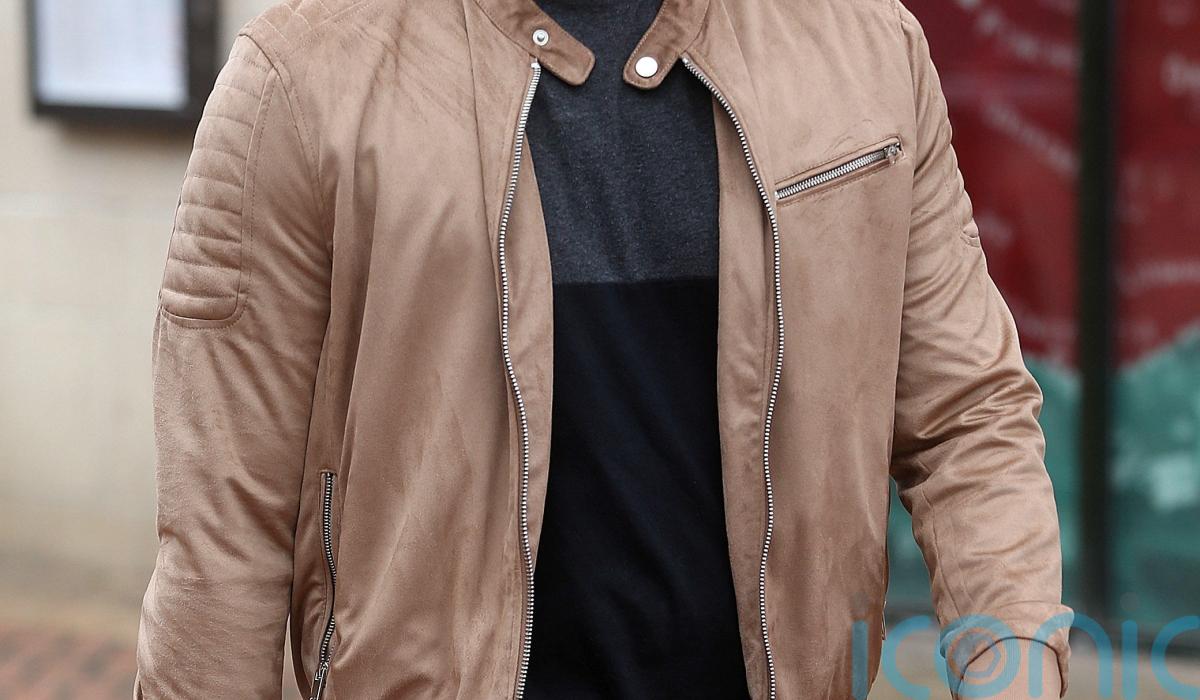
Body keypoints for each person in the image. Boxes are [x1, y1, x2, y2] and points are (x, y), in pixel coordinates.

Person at [134, 0, 1073, 698]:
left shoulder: (864, 48)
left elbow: (967, 418)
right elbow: (226, 534)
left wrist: (1015, 664)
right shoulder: (304, 75)